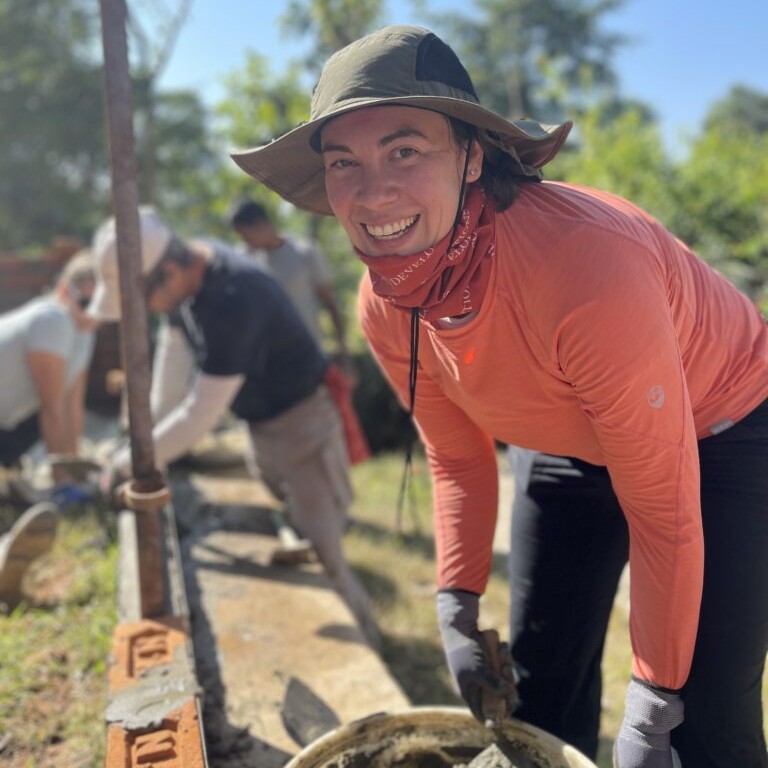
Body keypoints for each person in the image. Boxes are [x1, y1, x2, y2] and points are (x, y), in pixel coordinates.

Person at [230, 24, 768, 768]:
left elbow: (665, 514)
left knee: (707, 714)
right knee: (541, 692)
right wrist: (456, 601)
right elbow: (455, 457)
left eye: (405, 150)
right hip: (565, 442)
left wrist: (651, 702)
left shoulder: (584, 269)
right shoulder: (385, 305)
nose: (372, 190)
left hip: (723, 429)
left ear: (474, 157)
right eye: (343, 163)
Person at [88, 207, 379, 647]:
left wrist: (128, 463)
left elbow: (199, 413)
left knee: (324, 548)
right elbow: (170, 375)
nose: (144, 310)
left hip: (304, 425)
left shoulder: (233, 296)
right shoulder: (185, 285)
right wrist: (136, 440)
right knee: (294, 526)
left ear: (168, 271)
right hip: (261, 425)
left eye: (142, 298)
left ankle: (370, 661)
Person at [0, 250, 99, 611]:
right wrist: (62, 483)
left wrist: (74, 474)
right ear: (66, 290)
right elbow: (52, 408)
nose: (93, 311)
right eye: (87, 301)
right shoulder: (53, 319)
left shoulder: (82, 332)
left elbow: (73, 408)